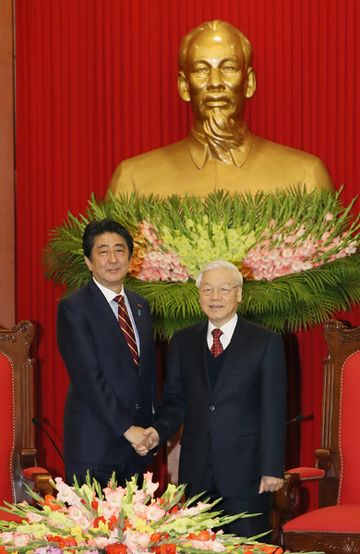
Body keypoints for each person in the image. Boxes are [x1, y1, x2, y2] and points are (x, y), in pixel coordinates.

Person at [137, 260, 287, 539]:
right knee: (198, 545)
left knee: (249, 546)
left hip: (248, 473)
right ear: (199, 296)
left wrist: (272, 468)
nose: (215, 297)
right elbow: (174, 400)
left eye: (223, 289)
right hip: (197, 471)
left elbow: (273, 408)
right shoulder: (182, 342)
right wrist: (157, 432)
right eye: (207, 290)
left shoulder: (265, 342)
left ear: (239, 294)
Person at [108, 20, 333, 197]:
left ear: (249, 83)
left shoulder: (305, 177)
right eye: (201, 70)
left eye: (229, 67)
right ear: (184, 86)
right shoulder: (133, 180)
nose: (215, 82)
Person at [57, 219, 156, 487]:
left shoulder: (139, 306)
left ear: (131, 257)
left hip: (137, 449)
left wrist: (150, 431)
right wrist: (127, 429)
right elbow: (88, 378)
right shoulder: (74, 308)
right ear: (89, 262)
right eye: (103, 251)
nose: (112, 259)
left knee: (138, 528)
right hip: (94, 449)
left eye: (119, 250)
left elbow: (146, 375)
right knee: (92, 529)